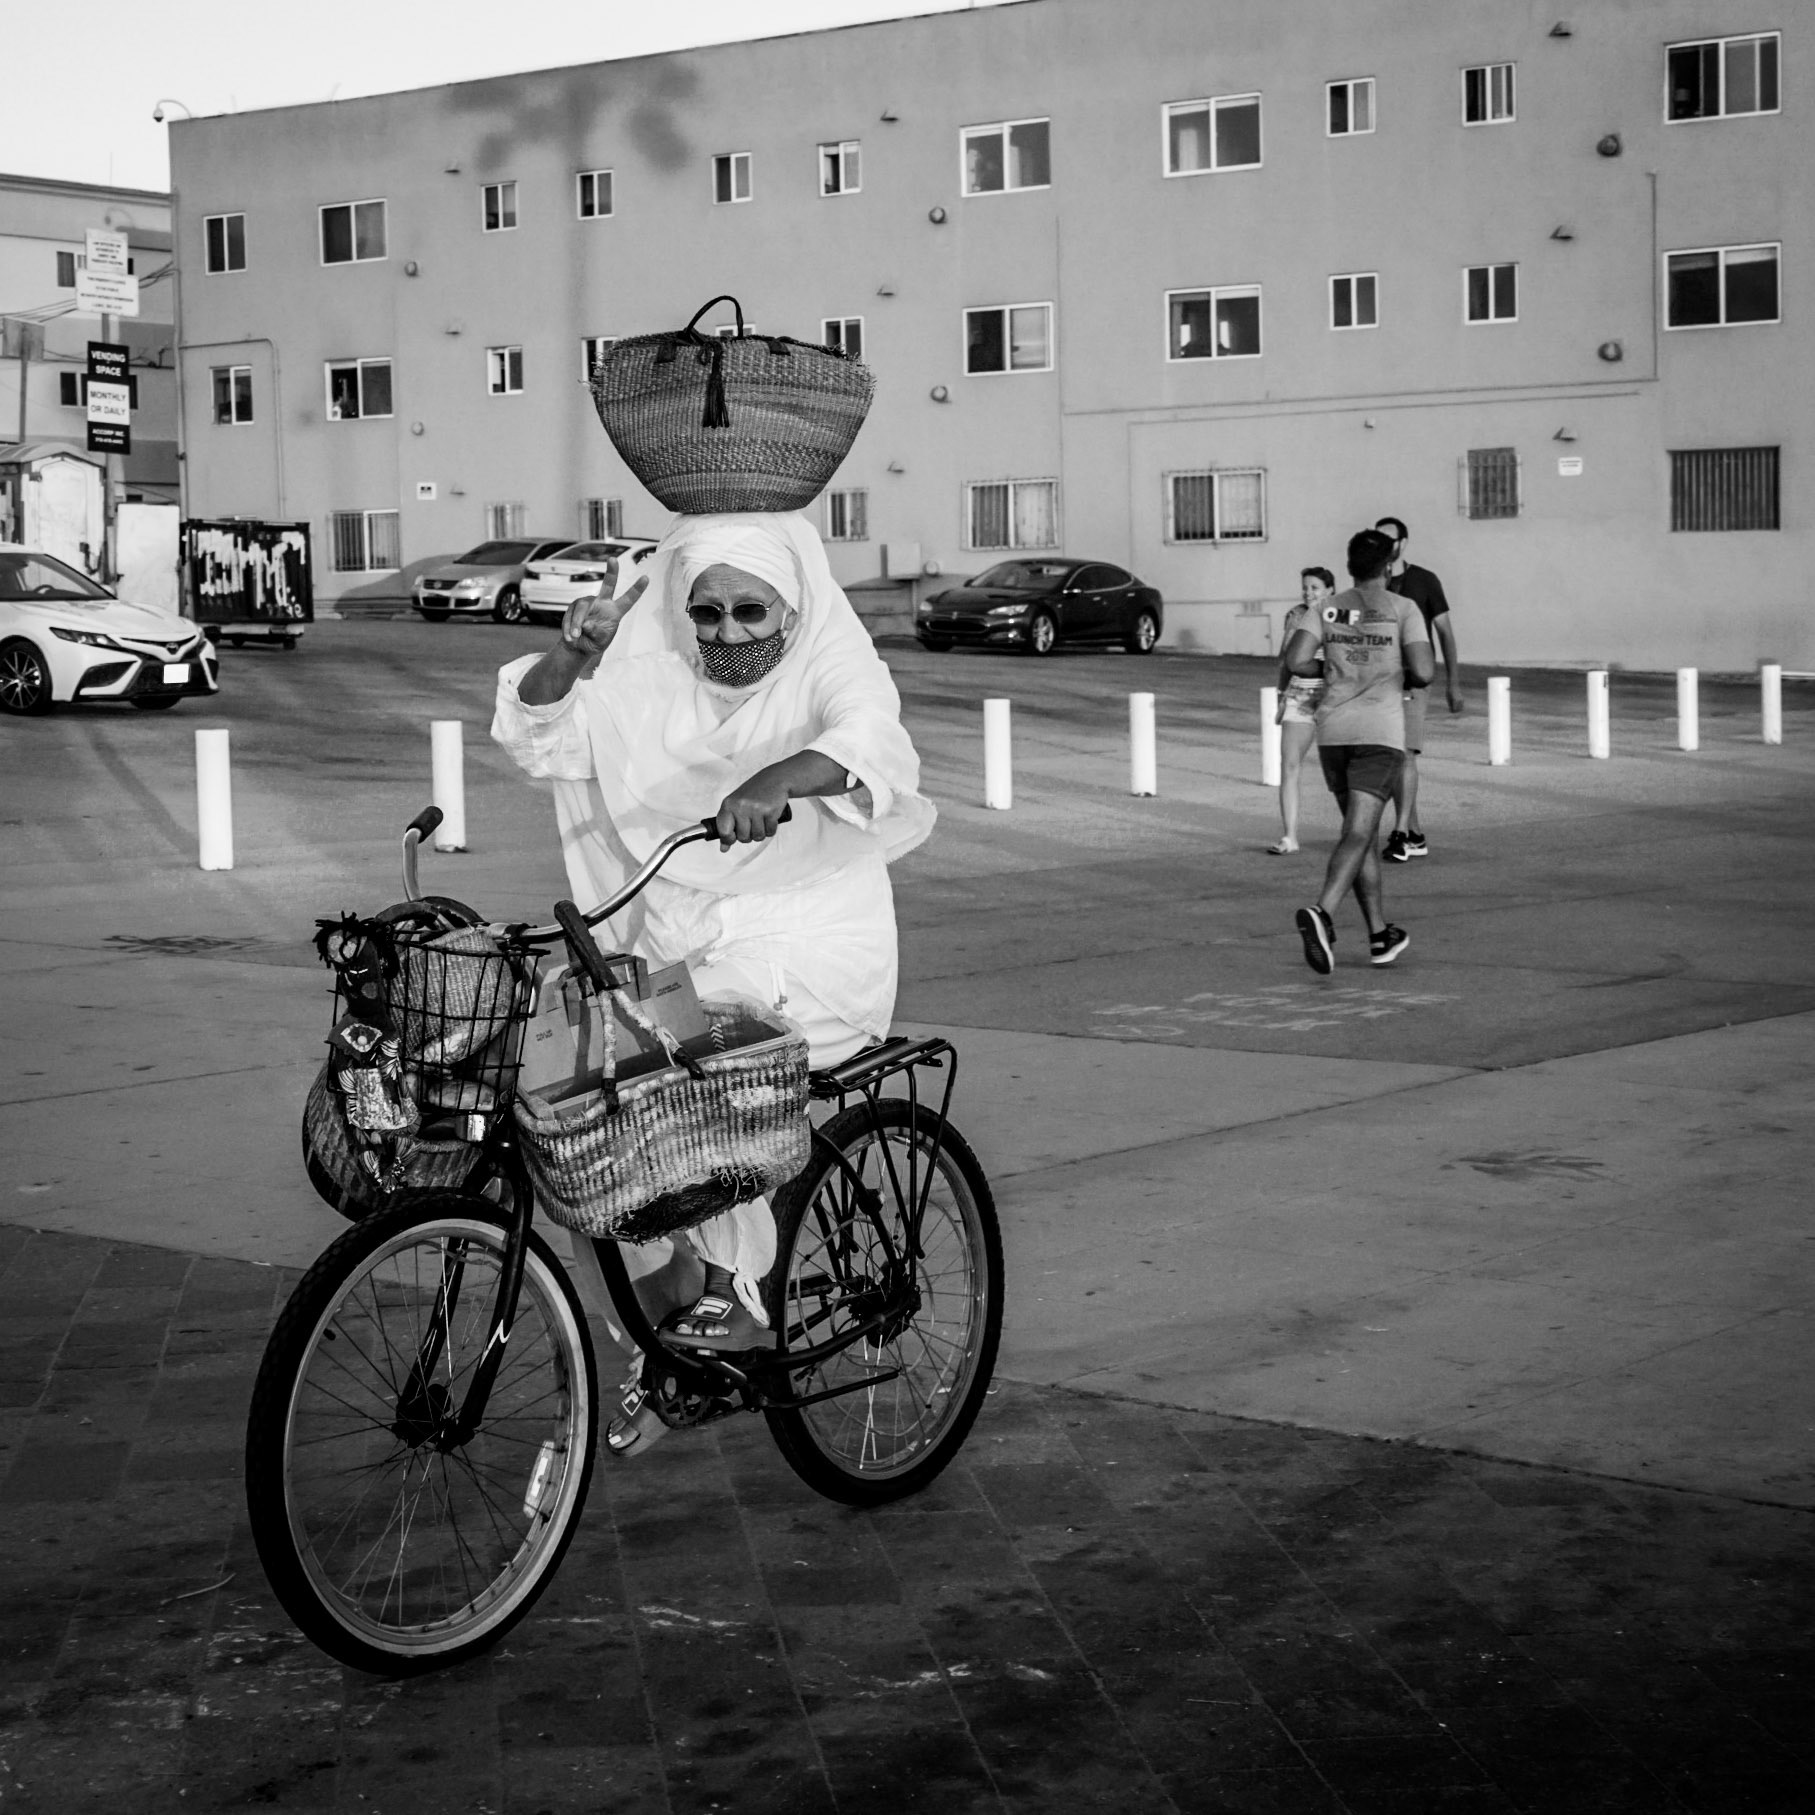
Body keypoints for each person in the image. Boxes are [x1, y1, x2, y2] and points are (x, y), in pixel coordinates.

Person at [491, 512, 935, 1451]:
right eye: (707, 613)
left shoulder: (828, 658)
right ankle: (670, 1345)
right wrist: (572, 656)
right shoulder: (656, 675)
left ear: (790, 606)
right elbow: (537, 735)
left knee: (688, 1061)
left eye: (749, 611)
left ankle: (737, 1286)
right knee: (579, 1138)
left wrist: (780, 778)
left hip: (812, 944)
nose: (728, 633)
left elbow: (869, 740)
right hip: (681, 944)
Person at [1283, 527, 1433, 972]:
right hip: (1379, 735)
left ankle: (1379, 935)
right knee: (1358, 833)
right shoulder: (1403, 608)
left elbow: (1296, 660)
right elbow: (1424, 670)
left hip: (1333, 734)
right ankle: (1322, 913)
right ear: (1388, 566)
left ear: (1349, 566)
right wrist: (1395, 669)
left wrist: (1333, 669)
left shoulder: (1326, 608)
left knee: (1359, 834)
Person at [1374, 516, 1464, 862]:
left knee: (1405, 754)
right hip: (1381, 683)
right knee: (1392, 757)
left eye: (1390, 539)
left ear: (1404, 543)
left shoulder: (1424, 580)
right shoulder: (1372, 582)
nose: (1384, 545)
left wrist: (1453, 683)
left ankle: (1400, 834)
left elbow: (1446, 633)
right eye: (1378, 539)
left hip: (1414, 681)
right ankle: (1414, 833)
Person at [1268, 565, 1334, 855]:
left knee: (1342, 768)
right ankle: (1289, 836)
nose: (1308, 592)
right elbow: (1286, 660)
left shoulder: (1340, 615)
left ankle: (1355, 833)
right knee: (1289, 764)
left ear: (1330, 590)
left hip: (1333, 696)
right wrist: (1281, 694)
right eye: (1305, 587)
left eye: (1315, 587)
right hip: (1300, 695)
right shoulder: (1295, 616)